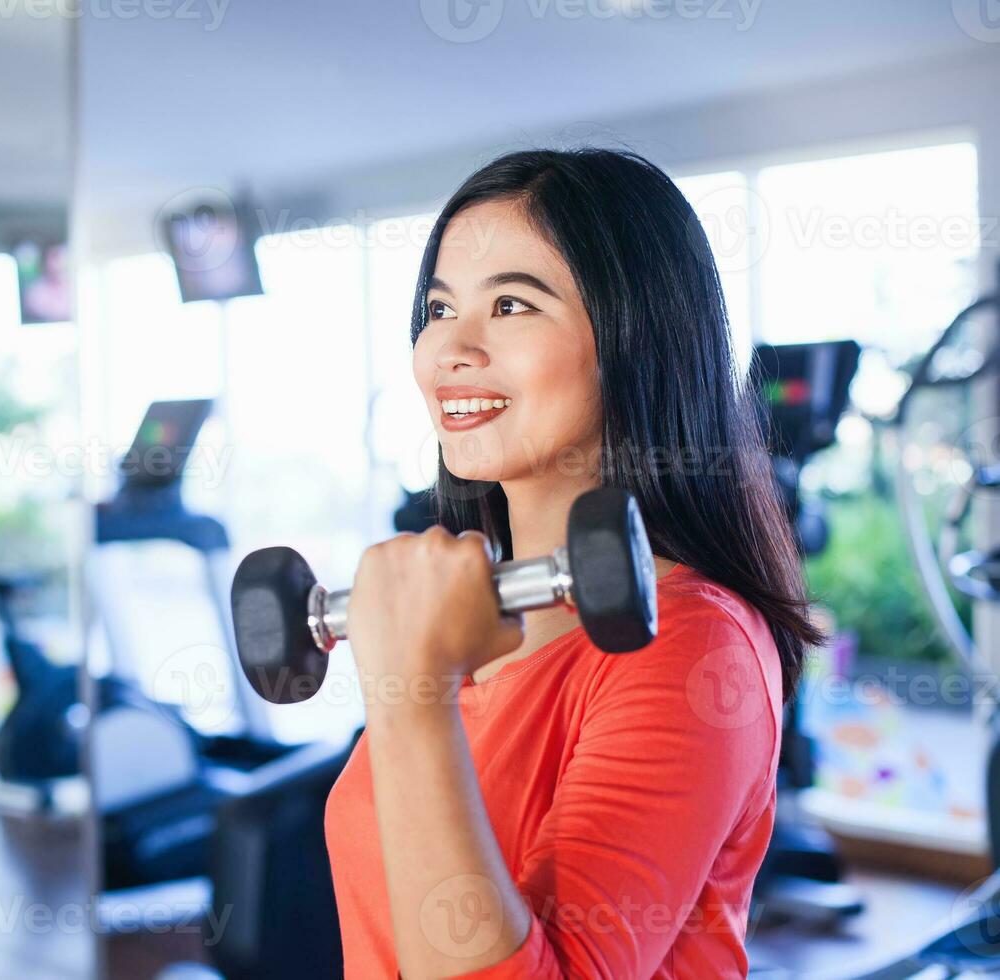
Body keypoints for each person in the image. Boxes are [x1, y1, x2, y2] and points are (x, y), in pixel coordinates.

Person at [323, 147, 825, 979]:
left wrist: (409, 700)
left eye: (511, 304)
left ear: (634, 338)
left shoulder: (695, 645)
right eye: (439, 308)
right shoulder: (462, 618)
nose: (450, 348)